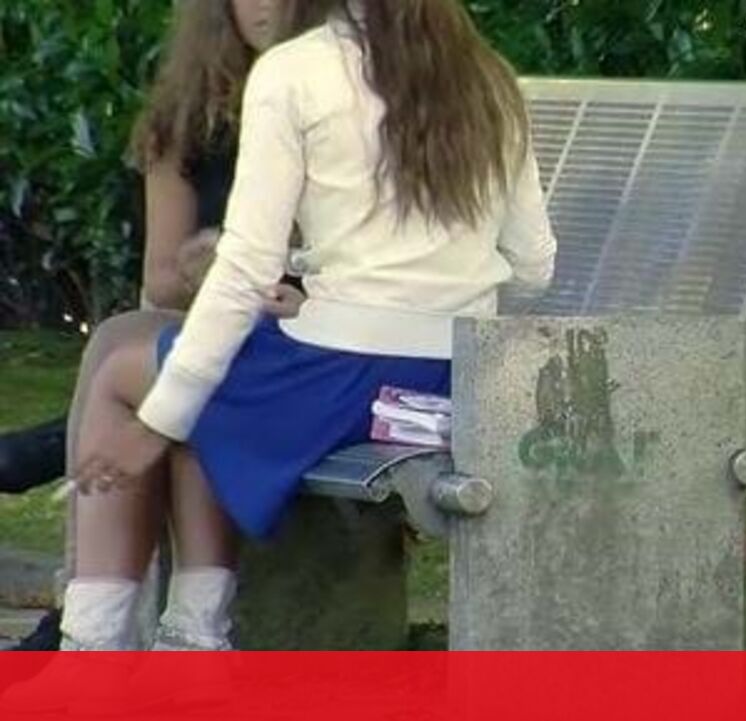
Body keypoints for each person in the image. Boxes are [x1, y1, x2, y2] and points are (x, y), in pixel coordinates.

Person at [59, 0, 554, 655]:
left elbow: (242, 270)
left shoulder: (293, 71)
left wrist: (153, 427)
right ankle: (187, 640)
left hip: (345, 382)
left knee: (128, 373)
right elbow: (533, 267)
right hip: (453, 379)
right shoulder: (490, 79)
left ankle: (100, 652)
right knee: (197, 373)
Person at [2, 0, 305, 653]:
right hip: (215, 327)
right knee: (132, 337)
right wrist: (209, 267)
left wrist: (264, 270)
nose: (268, 4)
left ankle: (86, 628)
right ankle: (168, 638)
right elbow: (162, 278)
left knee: (148, 362)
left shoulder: (339, 104)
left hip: (308, 330)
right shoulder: (189, 116)